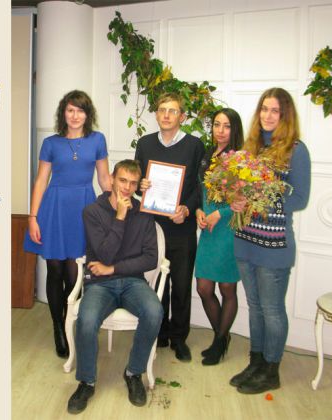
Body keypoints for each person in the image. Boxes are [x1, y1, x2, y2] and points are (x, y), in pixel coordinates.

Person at [228, 87, 311, 394]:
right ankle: (256, 362)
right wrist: (236, 199)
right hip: (245, 240)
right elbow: (237, 189)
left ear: (285, 115)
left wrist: (260, 197)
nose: (268, 115)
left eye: (275, 110)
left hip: (274, 247)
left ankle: (271, 370)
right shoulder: (250, 149)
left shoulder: (296, 150)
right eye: (264, 109)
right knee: (255, 307)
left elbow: (300, 199)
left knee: (272, 309)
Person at [67, 159, 163, 414]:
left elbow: (150, 259)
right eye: (122, 180)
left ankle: (133, 373)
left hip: (133, 281)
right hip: (100, 284)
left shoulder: (144, 212)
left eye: (133, 183)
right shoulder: (92, 212)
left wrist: (113, 269)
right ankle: (86, 382)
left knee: (155, 311)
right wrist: (120, 216)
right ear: (111, 179)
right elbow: (105, 254)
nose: (127, 188)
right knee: (87, 320)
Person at [23, 90, 110, 359]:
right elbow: (41, 181)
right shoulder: (51, 143)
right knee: (55, 270)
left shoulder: (97, 140)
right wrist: (32, 217)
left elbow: (104, 179)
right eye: (70, 110)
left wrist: (121, 200)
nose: (75, 115)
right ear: (63, 113)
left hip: (84, 208)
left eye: (80, 110)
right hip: (54, 209)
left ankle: (71, 323)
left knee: (75, 274)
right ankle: (58, 328)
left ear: (87, 114)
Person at [134, 92, 205, 362]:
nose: (166, 115)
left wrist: (186, 209)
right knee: (155, 282)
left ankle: (179, 338)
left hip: (181, 227)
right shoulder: (145, 144)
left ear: (182, 116)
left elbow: (200, 187)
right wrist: (140, 185)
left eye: (172, 110)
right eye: (162, 109)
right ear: (156, 114)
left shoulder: (194, 145)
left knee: (181, 285)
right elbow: (137, 182)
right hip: (152, 228)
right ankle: (160, 331)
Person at [194, 108, 244, 366]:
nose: (220, 131)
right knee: (203, 288)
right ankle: (222, 338)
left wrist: (219, 214)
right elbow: (200, 191)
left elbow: (243, 200)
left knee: (226, 288)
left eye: (226, 126)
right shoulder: (207, 154)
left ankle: (218, 341)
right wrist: (199, 211)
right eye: (216, 125)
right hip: (208, 229)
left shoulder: (239, 159)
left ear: (234, 129)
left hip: (227, 229)